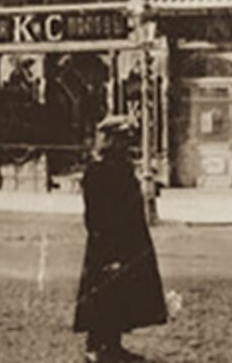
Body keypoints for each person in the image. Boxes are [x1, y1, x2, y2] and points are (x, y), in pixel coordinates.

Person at [74, 115, 167, 362]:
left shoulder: (120, 168)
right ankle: (95, 347)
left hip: (127, 242)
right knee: (103, 292)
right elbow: (96, 215)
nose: (127, 144)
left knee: (120, 293)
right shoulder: (99, 171)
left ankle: (113, 345)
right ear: (110, 140)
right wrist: (108, 249)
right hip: (108, 243)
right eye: (122, 139)